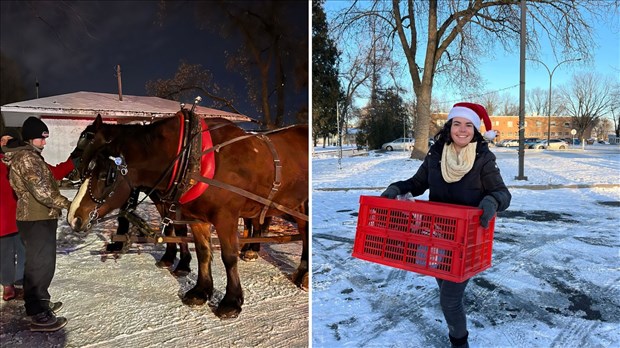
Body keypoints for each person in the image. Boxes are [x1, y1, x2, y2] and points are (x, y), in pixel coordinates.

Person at [380, 102, 511, 348]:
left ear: (475, 129)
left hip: (468, 240)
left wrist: (492, 200)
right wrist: (397, 187)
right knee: (445, 289)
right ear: (449, 127)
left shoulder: (483, 158)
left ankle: (460, 344)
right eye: (457, 124)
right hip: (438, 238)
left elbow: (503, 193)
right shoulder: (436, 153)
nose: (462, 130)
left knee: (449, 300)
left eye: (468, 125)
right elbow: (417, 183)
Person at [2, 117, 76, 332]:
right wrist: (69, 204)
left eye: (45, 138)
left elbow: (47, 182)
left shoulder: (32, 156)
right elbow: (42, 191)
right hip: (36, 218)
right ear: (29, 138)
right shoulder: (26, 158)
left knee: (42, 263)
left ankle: (40, 302)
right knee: (39, 265)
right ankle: (37, 312)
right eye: (41, 138)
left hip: (40, 216)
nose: (45, 143)